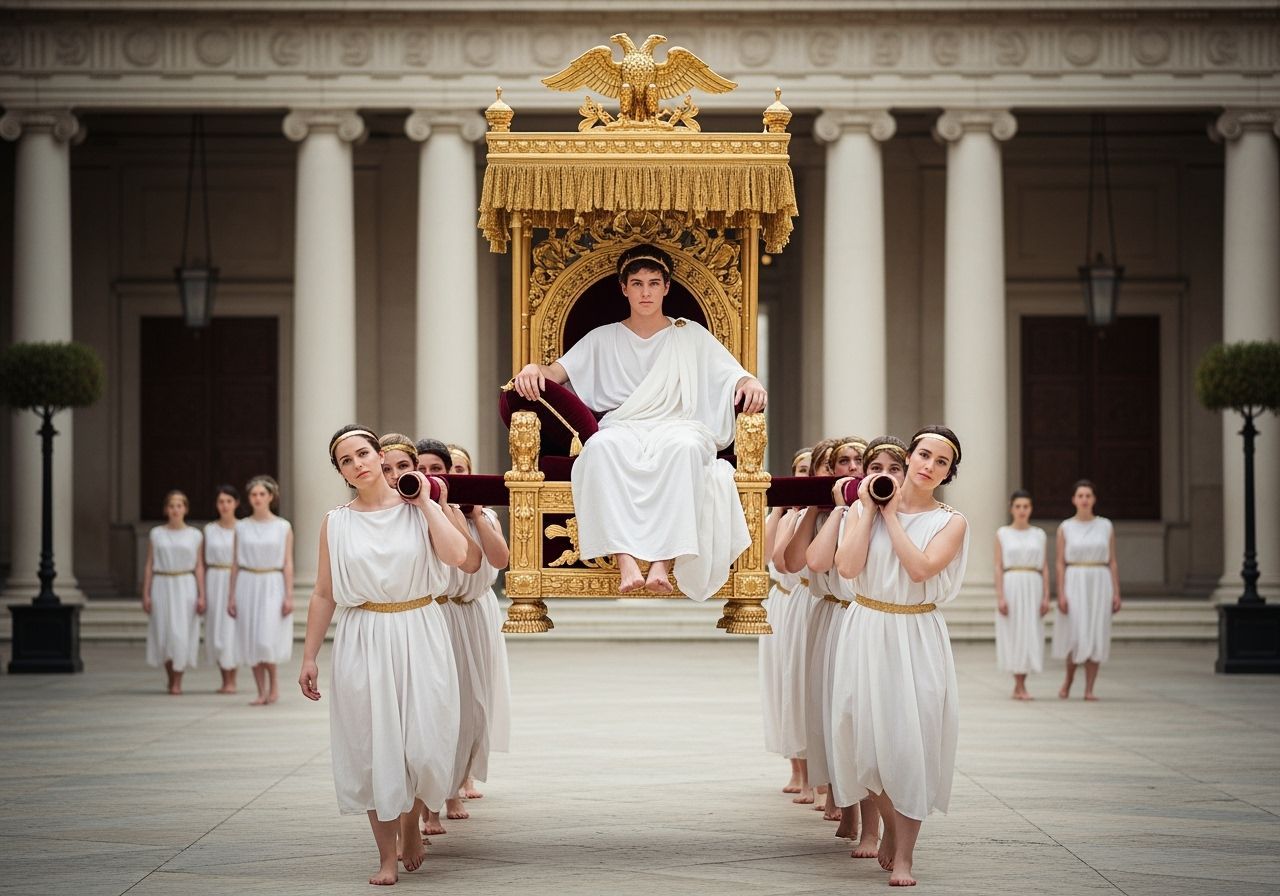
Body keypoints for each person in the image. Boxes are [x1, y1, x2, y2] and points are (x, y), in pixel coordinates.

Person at [511, 243, 767, 599]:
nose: (645, 291)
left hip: (679, 425)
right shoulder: (602, 338)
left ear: (666, 287)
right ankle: (626, 560)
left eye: (653, 283)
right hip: (623, 426)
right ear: (624, 288)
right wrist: (529, 368)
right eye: (637, 283)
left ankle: (662, 563)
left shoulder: (689, 334)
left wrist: (750, 382)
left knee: (685, 450)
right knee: (599, 448)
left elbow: (732, 375)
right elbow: (554, 372)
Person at [299, 424, 470, 886]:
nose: (358, 464)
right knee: (372, 746)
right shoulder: (336, 522)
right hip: (364, 635)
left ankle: (412, 825)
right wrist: (310, 656)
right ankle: (386, 858)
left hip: (420, 628)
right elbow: (322, 593)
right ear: (343, 473)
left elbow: (457, 556)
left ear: (380, 456)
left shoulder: (418, 508)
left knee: (425, 741)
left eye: (363, 454)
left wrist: (428, 506)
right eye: (346, 461)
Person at [831, 426, 969, 887]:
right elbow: (848, 568)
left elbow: (920, 568)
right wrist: (868, 510)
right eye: (924, 455)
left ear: (948, 473)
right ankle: (889, 826)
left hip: (914, 631)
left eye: (941, 462)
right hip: (866, 626)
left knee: (911, 742)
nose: (929, 465)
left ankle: (907, 855)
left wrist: (890, 519)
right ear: (909, 457)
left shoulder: (951, 522)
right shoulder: (860, 508)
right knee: (864, 741)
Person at [760, 449, 810, 793]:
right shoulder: (781, 515)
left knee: (803, 685)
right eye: (800, 471)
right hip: (781, 601)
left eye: (811, 470)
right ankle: (795, 767)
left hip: (806, 600)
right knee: (782, 681)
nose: (806, 477)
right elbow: (764, 557)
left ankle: (812, 775)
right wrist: (778, 508)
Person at [1052, 479, 1121, 701]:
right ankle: (1069, 680)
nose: (1084, 500)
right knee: (1076, 632)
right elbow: (1060, 562)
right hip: (1075, 580)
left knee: (1096, 632)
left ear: (1094, 499)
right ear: (1074, 499)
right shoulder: (1066, 527)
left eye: (1088, 496)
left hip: (1100, 582)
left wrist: (1117, 592)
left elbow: (1112, 561)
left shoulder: (1105, 525)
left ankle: (1090, 688)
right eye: (1080, 496)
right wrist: (1061, 592)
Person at [228, 475, 294, 706]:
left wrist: (289, 596)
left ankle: (274, 683)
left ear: (270, 497)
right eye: (253, 495)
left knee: (266, 637)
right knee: (251, 638)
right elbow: (235, 562)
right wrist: (231, 596)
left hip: (271, 582)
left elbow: (287, 562)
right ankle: (260, 691)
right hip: (247, 582)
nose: (257, 498)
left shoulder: (282, 526)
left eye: (262, 494)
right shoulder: (241, 527)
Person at [143, 490, 205, 695]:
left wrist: (202, 594)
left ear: (185, 509)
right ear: (166, 510)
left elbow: (198, 566)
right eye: (171, 506)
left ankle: (178, 679)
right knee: (164, 632)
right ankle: (170, 677)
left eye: (179, 505)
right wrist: (146, 593)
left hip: (185, 585)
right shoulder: (156, 534)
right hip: (162, 583)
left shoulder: (195, 535)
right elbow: (149, 564)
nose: (175, 509)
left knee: (181, 632)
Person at [995, 490, 1050, 700]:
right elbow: (998, 566)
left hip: (1033, 584)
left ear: (1031, 509)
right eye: (1018, 507)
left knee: (1030, 632)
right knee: (1013, 632)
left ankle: (1022, 683)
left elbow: (1044, 566)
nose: (1022, 511)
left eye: (1025, 507)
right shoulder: (1002, 533)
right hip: (1012, 584)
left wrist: (1046, 596)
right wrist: (1000, 596)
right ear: (1011, 509)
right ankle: (1017, 684)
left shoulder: (1039, 534)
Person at [203, 485, 240, 693]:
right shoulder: (209, 530)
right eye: (221, 502)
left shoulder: (244, 528)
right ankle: (223, 677)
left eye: (228, 501)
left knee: (231, 630)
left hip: (235, 579)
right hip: (214, 579)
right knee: (216, 628)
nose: (225, 505)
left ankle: (231, 679)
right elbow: (202, 560)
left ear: (236, 503)